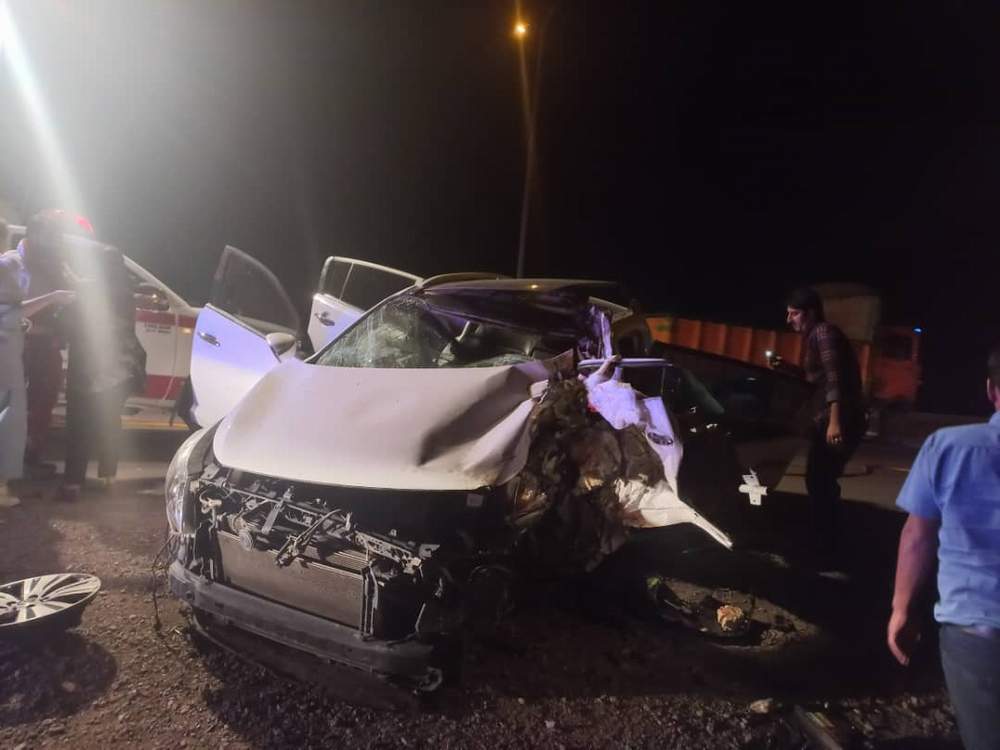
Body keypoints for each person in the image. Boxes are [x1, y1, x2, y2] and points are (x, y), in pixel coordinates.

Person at [887, 345, 1000, 750]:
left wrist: (902, 609)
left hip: (975, 630)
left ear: (992, 390)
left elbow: (917, 536)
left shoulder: (948, 447)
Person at [774, 287, 865, 563]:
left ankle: (829, 545)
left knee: (820, 480)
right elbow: (817, 379)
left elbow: (835, 379)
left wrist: (835, 422)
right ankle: (828, 541)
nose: (789, 320)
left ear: (811, 313)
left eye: (794, 313)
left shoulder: (823, 333)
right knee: (821, 480)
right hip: (833, 418)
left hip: (838, 419)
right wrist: (788, 368)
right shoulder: (817, 336)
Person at [57, 248, 145, 501]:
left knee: (79, 425)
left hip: (86, 369)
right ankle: (108, 476)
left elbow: (67, 323)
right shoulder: (125, 294)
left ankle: (73, 483)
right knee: (109, 422)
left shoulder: (87, 291)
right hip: (120, 370)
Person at [0, 221, 75, 507]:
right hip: (16, 346)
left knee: (36, 405)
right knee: (11, 410)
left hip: (35, 345)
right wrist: (53, 299)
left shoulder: (50, 263)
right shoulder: (9, 264)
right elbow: (13, 309)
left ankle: (25, 463)